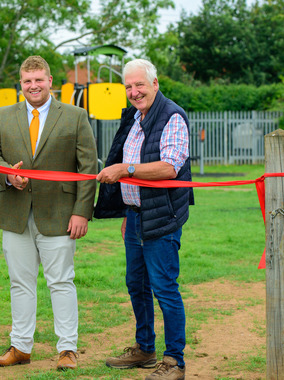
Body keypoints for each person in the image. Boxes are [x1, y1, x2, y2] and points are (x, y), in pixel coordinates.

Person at [0, 55, 97, 370]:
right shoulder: (4, 115)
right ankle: (20, 347)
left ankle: (67, 350)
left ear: (49, 81)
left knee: (61, 281)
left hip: (60, 214)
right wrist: (8, 174)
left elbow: (88, 167)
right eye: (27, 81)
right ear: (21, 84)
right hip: (14, 212)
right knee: (20, 282)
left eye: (39, 80)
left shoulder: (75, 115)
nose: (33, 86)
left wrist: (82, 212)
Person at [94, 59, 194, 380]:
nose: (134, 92)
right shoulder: (136, 117)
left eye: (139, 85)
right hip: (135, 216)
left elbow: (169, 167)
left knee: (164, 288)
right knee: (136, 284)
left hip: (162, 217)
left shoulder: (172, 116)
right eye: (128, 86)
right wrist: (127, 208)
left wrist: (125, 170)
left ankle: (174, 361)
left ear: (155, 84)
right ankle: (145, 349)